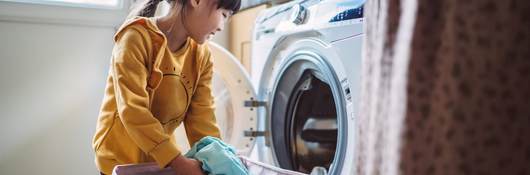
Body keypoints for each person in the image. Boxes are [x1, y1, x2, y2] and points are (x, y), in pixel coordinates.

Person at [91, 0, 240, 174]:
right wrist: (178, 162)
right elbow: (133, 110)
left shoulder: (202, 56)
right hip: (118, 159)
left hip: (159, 159)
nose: (222, 26)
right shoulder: (135, 38)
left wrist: (217, 158)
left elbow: (202, 118)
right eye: (223, 14)